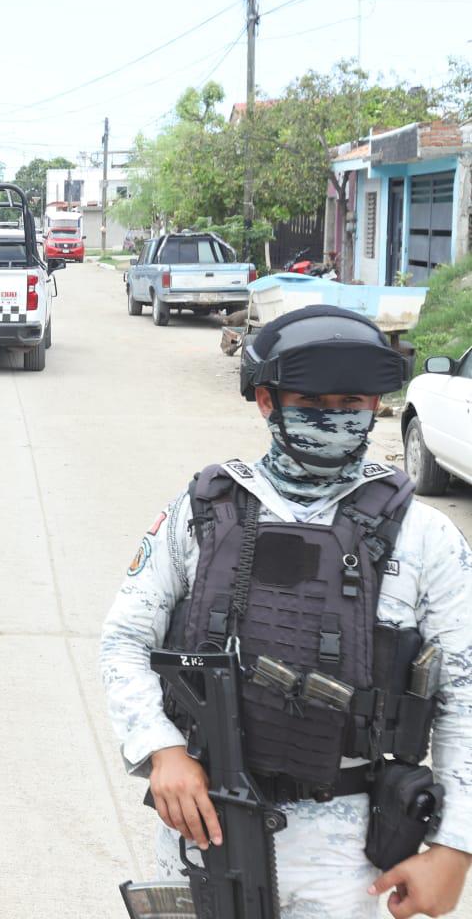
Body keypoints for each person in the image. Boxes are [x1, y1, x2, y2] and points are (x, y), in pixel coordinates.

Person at [100, 305, 472, 918]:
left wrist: (453, 847)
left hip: (348, 853)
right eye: (312, 400)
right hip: (204, 828)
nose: (335, 416)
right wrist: (161, 749)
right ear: (268, 402)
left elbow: (463, 697)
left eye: (353, 401)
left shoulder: (425, 537)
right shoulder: (203, 512)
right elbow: (125, 641)